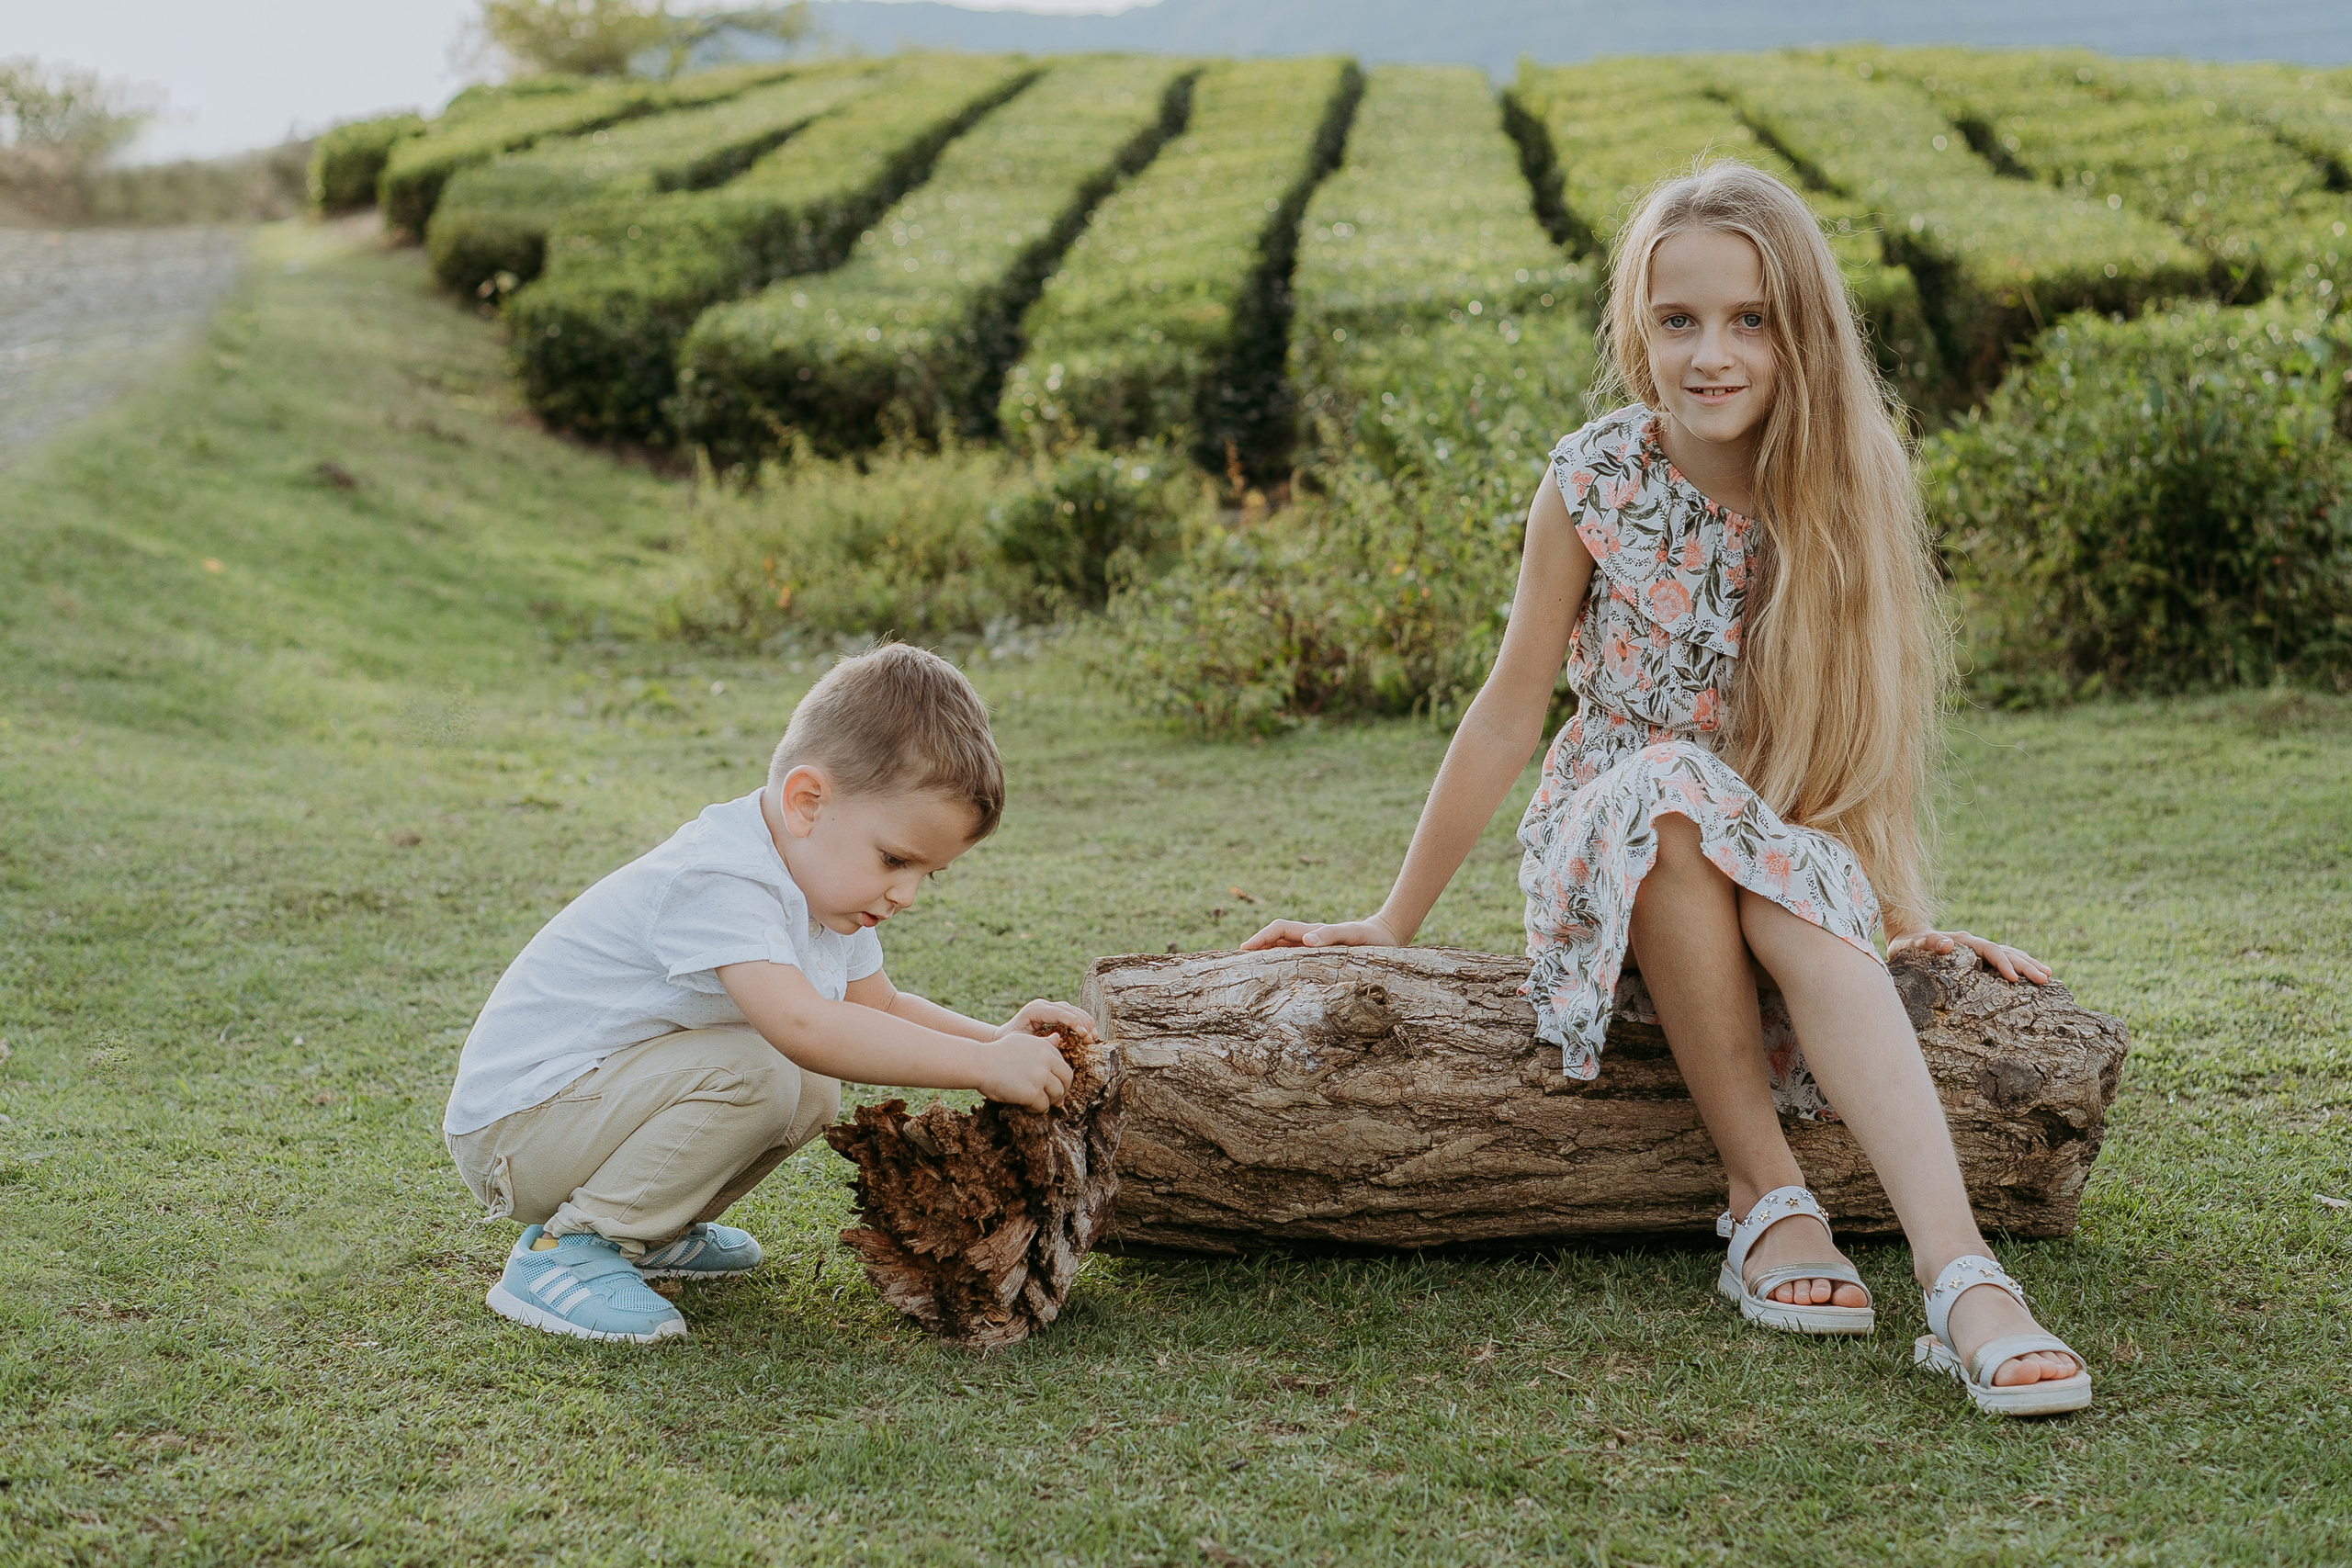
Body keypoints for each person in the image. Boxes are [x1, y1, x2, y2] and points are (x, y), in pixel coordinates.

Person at [1245, 162, 2091, 1416]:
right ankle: (1767, 1193)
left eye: (1749, 319)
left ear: (1800, 329)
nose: (1712, 352)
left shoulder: (1844, 492)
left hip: (1768, 852)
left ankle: (1962, 1273)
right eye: (1677, 318)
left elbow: (1864, 732)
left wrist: (1896, 914)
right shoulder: (1593, 481)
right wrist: (1389, 922)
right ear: (1634, 328)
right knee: (1668, 789)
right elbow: (1509, 707)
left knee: (1756, 851)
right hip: (1612, 839)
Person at [443, 643, 1088, 1344]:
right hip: (516, 1128)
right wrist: (983, 1069)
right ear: (808, 801)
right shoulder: (724, 874)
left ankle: (651, 1228)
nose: (904, 893)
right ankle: (567, 1252)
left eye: (925, 874)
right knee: (768, 1067)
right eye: (895, 859)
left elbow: (880, 1007)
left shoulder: (824, 891)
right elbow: (804, 1025)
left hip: (582, 1114)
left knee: (809, 1085)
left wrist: (995, 1039)